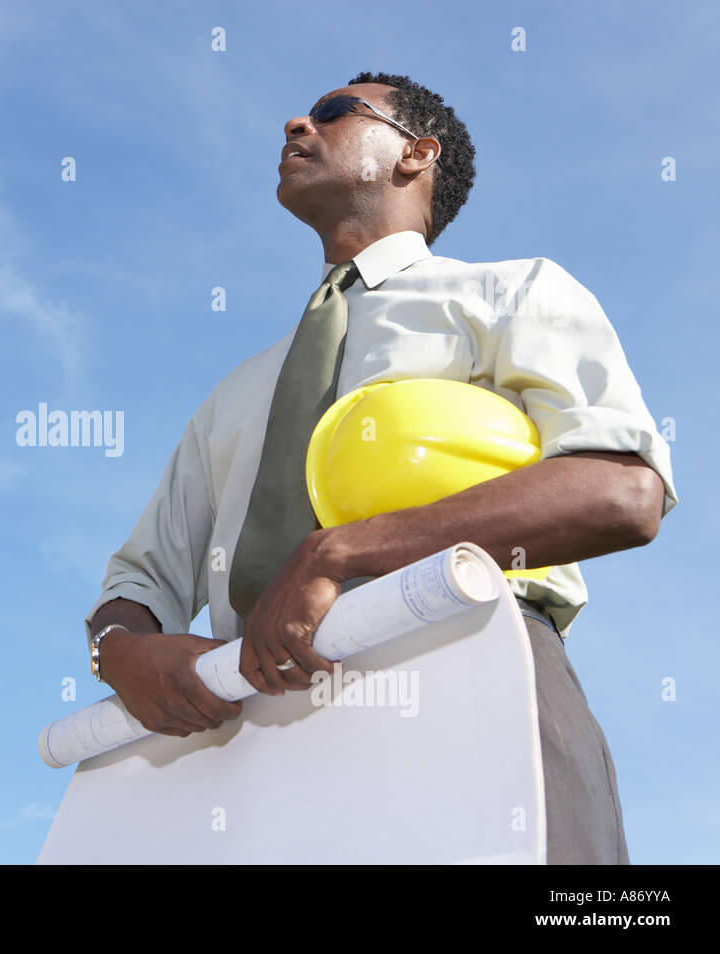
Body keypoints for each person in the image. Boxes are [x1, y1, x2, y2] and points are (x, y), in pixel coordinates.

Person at [83, 72, 678, 864]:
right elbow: (139, 582)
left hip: (471, 677)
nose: (296, 122)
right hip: (253, 744)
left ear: (416, 154)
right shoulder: (233, 397)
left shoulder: (511, 293)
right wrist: (118, 653)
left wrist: (340, 553)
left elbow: (622, 488)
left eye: (333, 112)